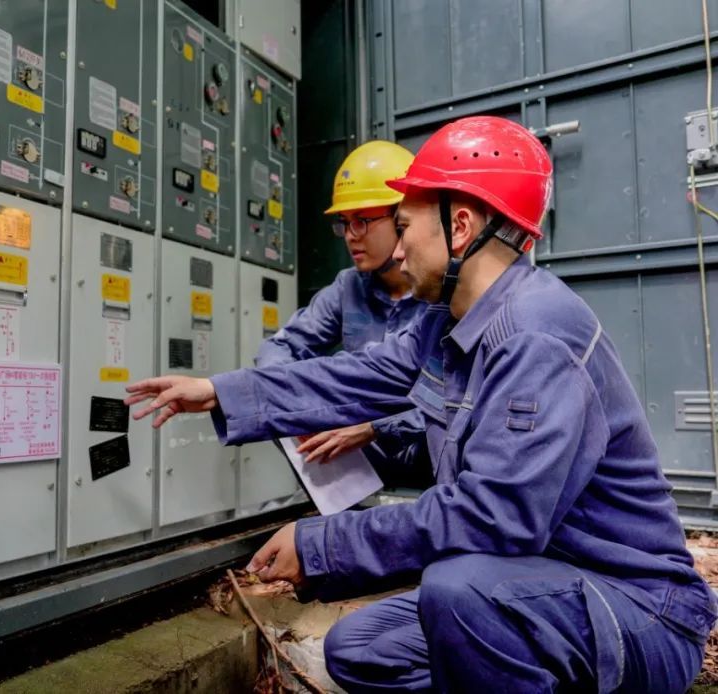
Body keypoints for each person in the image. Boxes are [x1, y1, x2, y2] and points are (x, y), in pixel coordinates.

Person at [125, 116, 716, 691]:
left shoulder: (536, 335)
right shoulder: (449, 321)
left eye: (404, 225)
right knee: (360, 648)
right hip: (538, 583)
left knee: (458, 589)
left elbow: (494, 518)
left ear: (459, 227)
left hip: (636, 608)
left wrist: (320, 544)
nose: (399, 247)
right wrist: (219, 392)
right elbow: (354, 377)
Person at [258, 141, 429, 488]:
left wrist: (373, 428)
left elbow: (455, 404)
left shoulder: (439, 295)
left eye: (362, 221)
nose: (350, 237)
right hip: (365, 479)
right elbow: (280, 348)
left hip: (433, 477)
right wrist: (302, 410)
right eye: (344, 223)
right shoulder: (347, 287)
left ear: (402, 219)